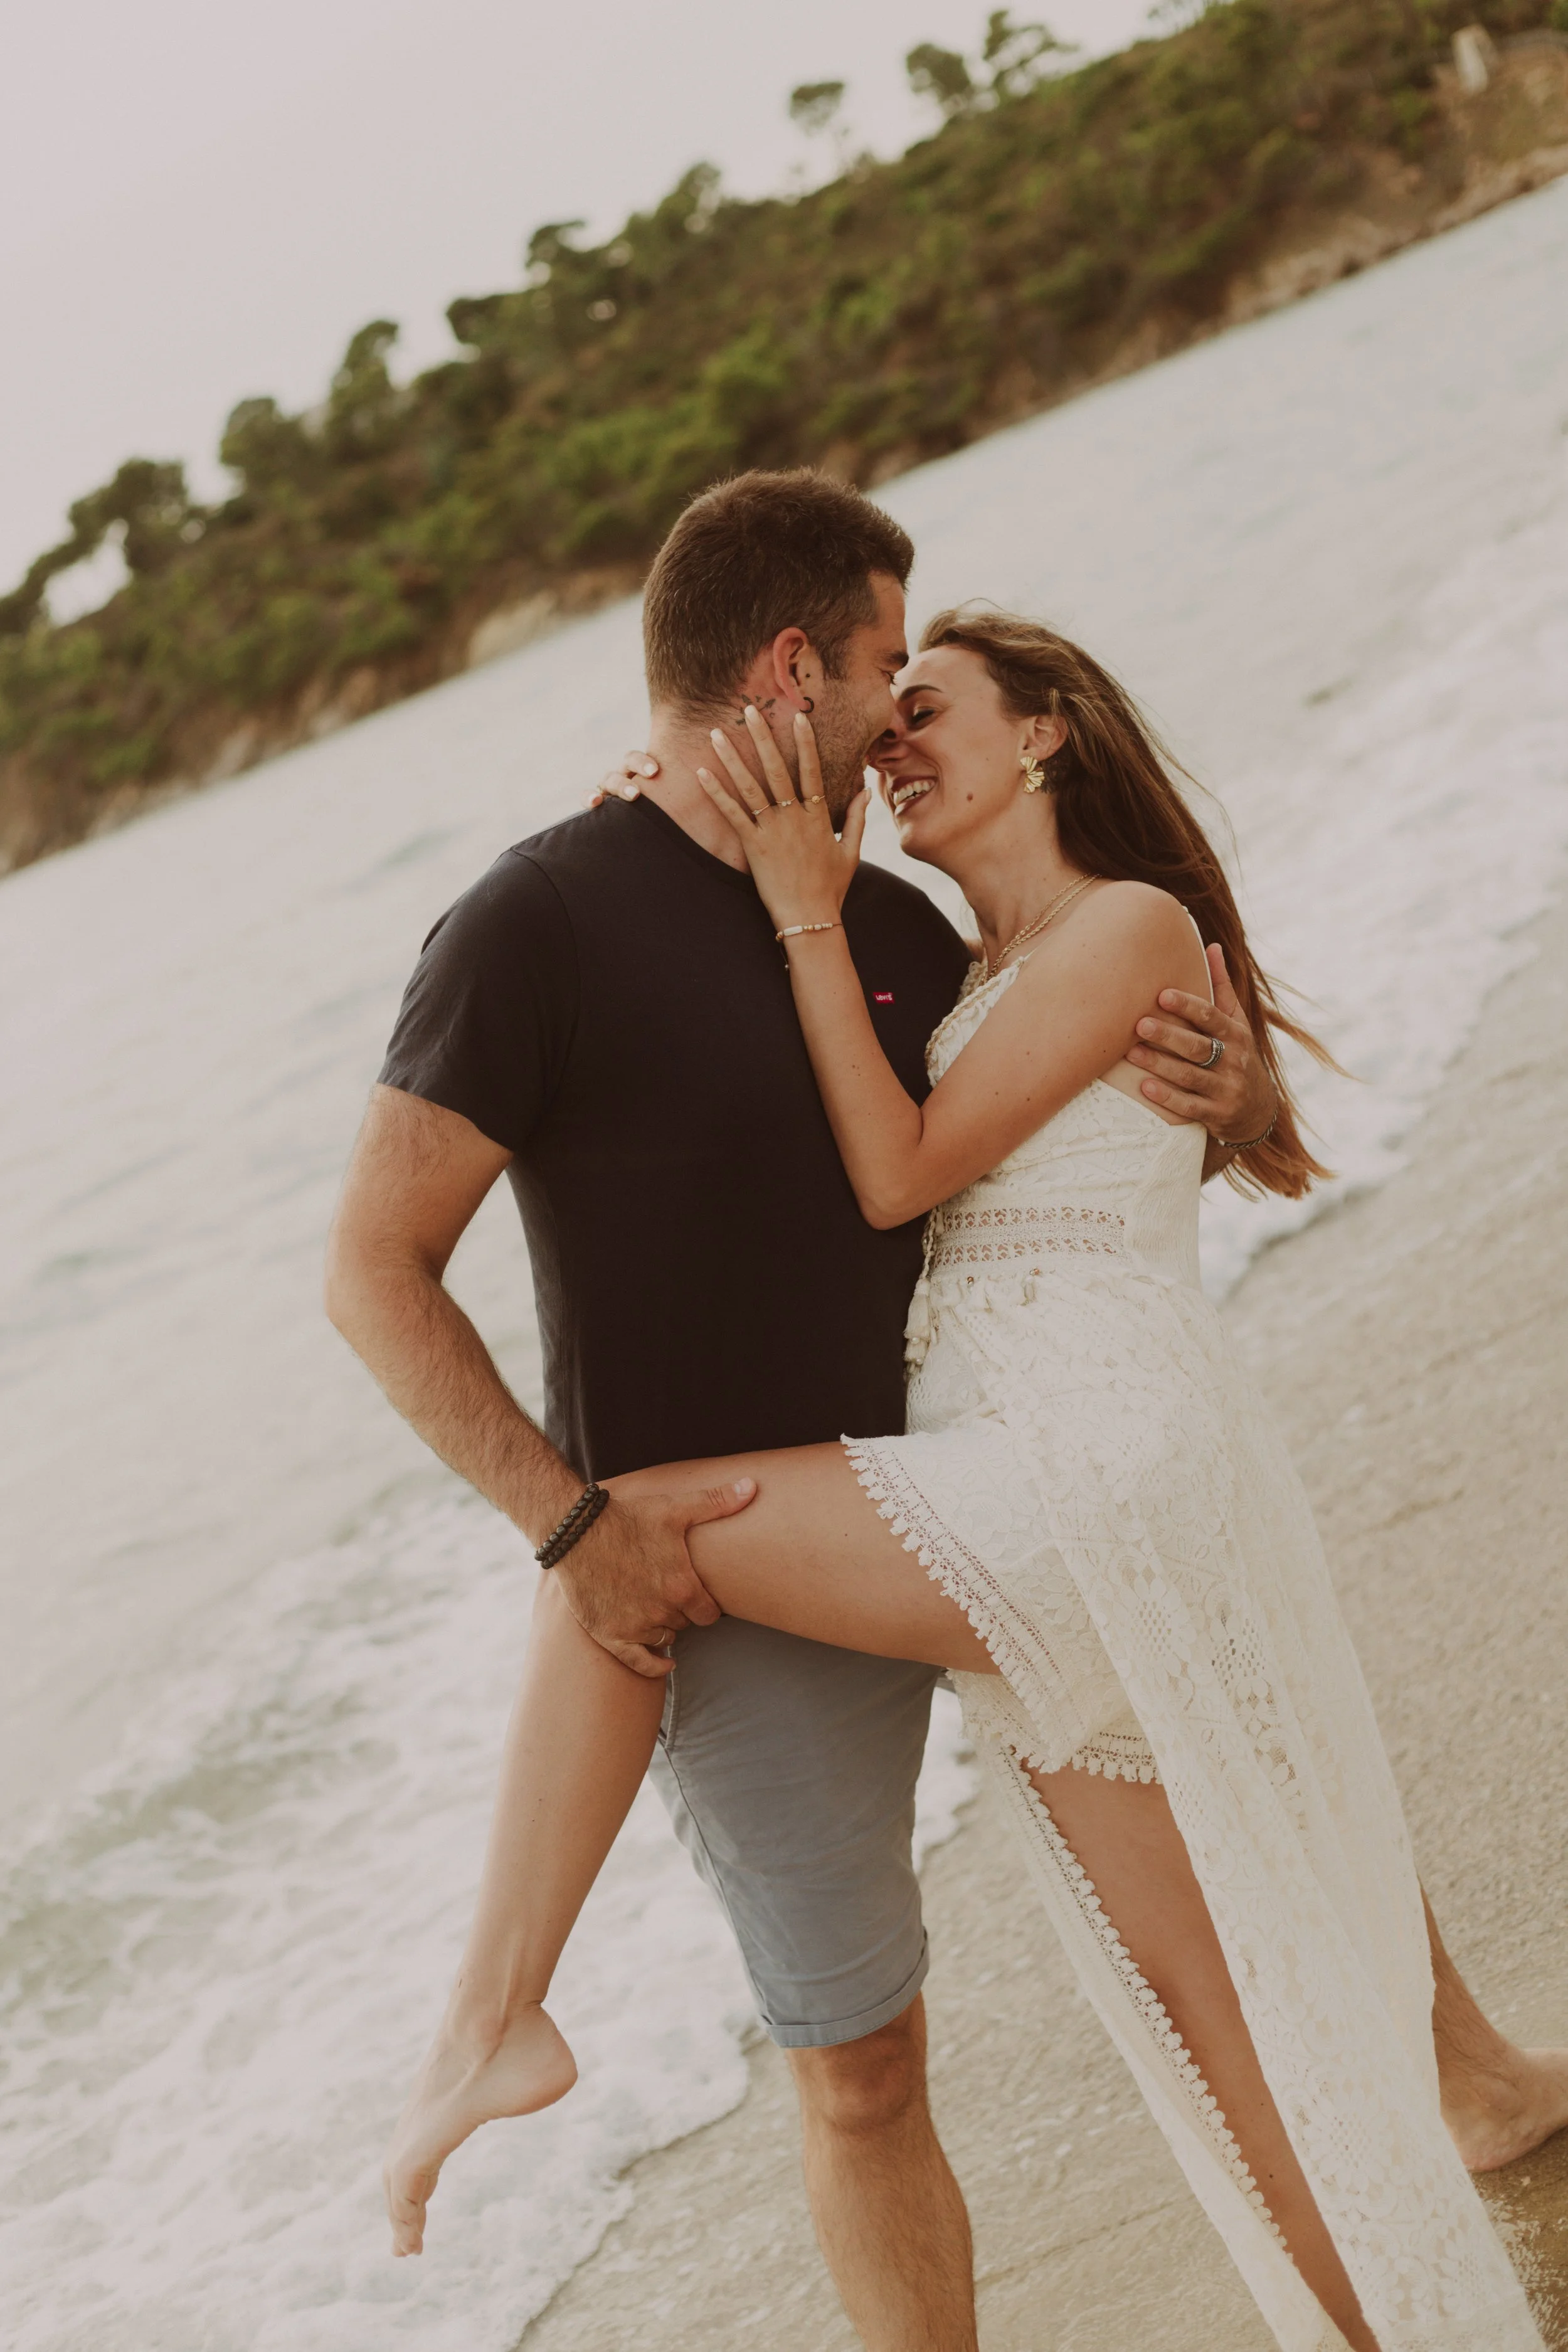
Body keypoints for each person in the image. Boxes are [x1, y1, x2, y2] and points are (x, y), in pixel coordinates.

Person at [326, 473, 1566, 2351]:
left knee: (1231, 1849)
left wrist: (1218, 1094)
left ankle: (1459, 2084)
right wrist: (566, 1528)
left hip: (990, 1480)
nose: (898, 722)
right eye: (884, 677)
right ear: (788, 662)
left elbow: (990, 1156)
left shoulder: (893, 928)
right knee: (931, 2049)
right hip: (833, 1545)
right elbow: (368, 1271)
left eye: (928, 692)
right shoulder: (544, 916)